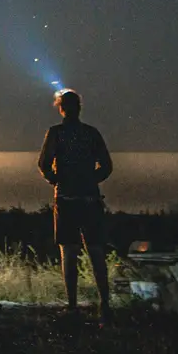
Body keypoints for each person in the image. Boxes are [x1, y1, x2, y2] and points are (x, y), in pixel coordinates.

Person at [38, 88, 113, 321]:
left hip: (67, 199)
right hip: (90, 199)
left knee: (68, 251)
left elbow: (44, 164)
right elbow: (107, 166)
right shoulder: (91, 133)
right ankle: (105, 305)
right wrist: (90, 180)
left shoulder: (56, 133)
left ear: (61, 108)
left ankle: (72, 306)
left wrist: (57, 180)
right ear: (79, 107)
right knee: (96, 250)